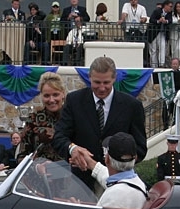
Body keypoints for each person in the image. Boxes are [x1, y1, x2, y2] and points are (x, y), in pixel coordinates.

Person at [51, 55, 147, 189]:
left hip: (118, 184)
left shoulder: (132, 106)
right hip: (81, 184)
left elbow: (140, 148)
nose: (102, 88)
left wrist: (119, 162)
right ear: (89, 77)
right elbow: (59, 137)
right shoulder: (74, 101)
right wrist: (72, 149)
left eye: (106, 83)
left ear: (114, 78)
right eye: (97, 82)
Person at [92, 133, 148, 209]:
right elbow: (106, 177)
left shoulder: (114, 195)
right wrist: (90, 163)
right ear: (135, 158)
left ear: (107, 159)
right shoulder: (137, 182)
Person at [18, 71, 66, 160]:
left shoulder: (72, 117)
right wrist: (36, 167)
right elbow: (21, 156)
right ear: (41, 96)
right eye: (47, 95)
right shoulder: (33, 120)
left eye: (55, 94)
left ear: (63, 94)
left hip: (68, 172)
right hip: (38, 173)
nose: (51, 100)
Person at [148, 0, 173, 67]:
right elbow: (151, 20)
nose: (171, 8)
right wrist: (158, 21)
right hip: (154, 33)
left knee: (163, 47)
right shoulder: (157, 11)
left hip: (162, 33)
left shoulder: (170, 13)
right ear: (165, 6)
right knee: (154, 49)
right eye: (170, 6)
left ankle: (162, 64)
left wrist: (166, 21)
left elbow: (170, 20)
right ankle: (154, 65)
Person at [162, 56, 180, 127]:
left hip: (176, 94)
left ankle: (175, 123)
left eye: (176, 64)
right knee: (166, 110)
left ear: (178, 65)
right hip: (168, 94)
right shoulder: (168, 74)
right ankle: (165, 125)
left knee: (176, 109)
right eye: (173, 64)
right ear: (171, 65)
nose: (174, 65)